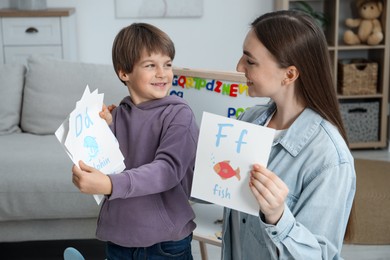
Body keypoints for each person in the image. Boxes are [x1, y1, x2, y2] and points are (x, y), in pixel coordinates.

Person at [221, 10, 356, 259]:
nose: (239, 67)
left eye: (250, 61)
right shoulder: (248, 121)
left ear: (290, 74)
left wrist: (278, 217)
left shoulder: (329, 158)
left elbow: (319, 255)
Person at [71, 23, 199, 259]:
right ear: (124, 73)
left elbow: (167, 170)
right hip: (119, 238)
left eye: (167, 64)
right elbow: (110, 160)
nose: (163, 73)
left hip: (166, 242)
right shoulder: (118, 115)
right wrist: (104, 128)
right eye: (151, 65)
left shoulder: (180, 115)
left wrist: (110, 185)